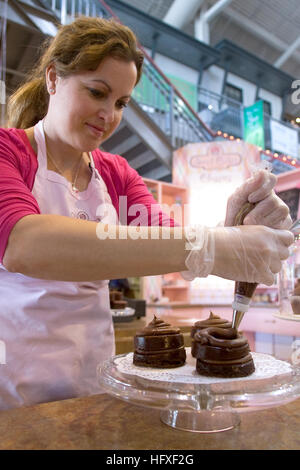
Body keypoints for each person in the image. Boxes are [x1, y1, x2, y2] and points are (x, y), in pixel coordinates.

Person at [0, 16, 294, 410]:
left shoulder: (116, 174)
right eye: (97, 92)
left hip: (93, 383)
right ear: (53, 79)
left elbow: (176, 249)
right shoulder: (9, 152)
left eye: (121, 103)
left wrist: (231, 229)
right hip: (16, 390)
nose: (109, 114)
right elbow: (25, 243)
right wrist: (208, 246)